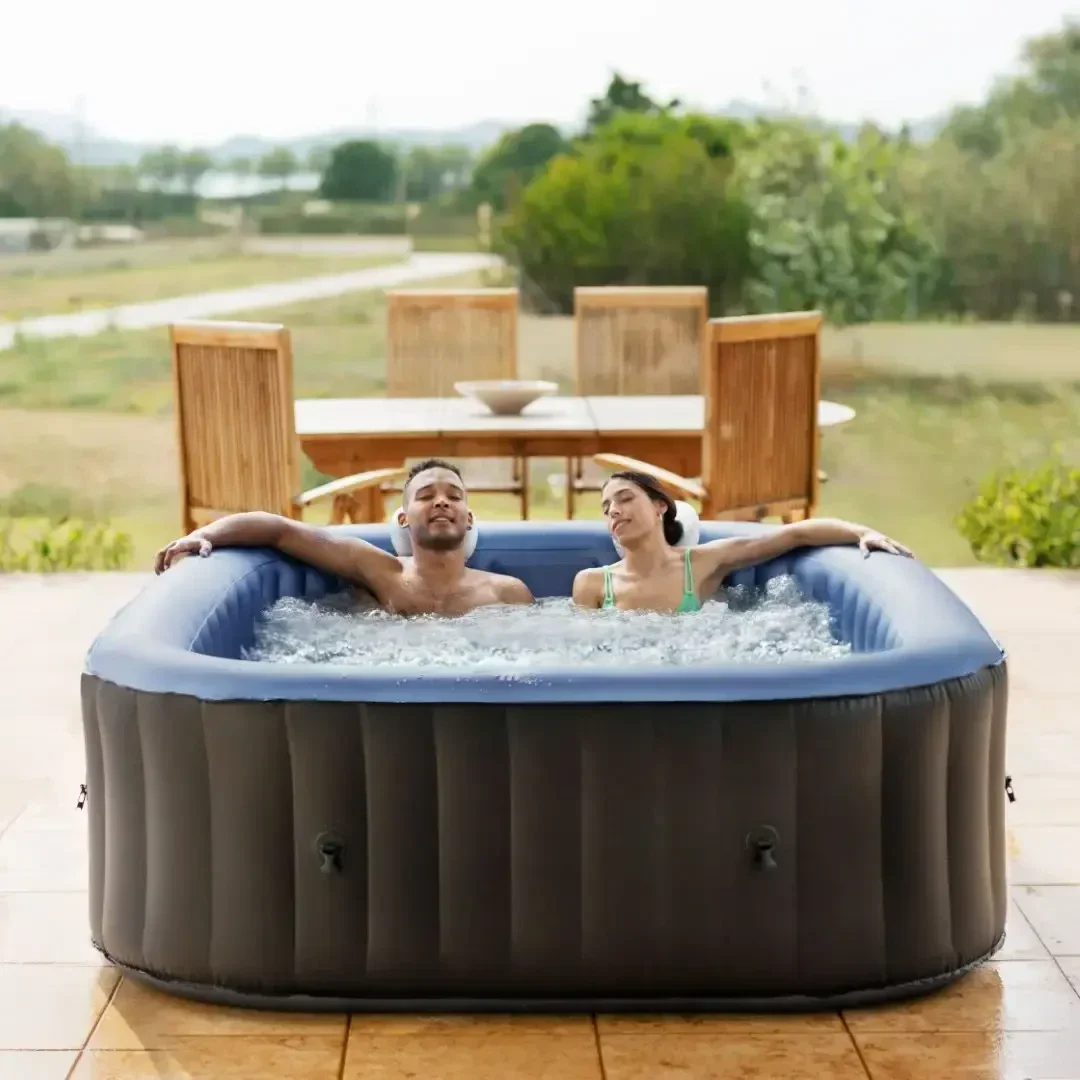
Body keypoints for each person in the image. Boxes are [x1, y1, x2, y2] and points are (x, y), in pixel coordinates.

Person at [154, 459, 534, 615]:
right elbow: (279, 529)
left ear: (469, 518)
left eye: (453, 496)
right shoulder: (378, 571)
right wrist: (205, 534)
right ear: (402, 518)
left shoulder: (508, 593)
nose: (441, 503)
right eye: (425, 496)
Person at [573, 470, 913, 613]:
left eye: (625, 498)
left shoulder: (703, 563)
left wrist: (860, 533)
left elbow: (795, 534)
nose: (614, 511)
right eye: (606, 508)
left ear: (660, 505)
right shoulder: (591, 583)